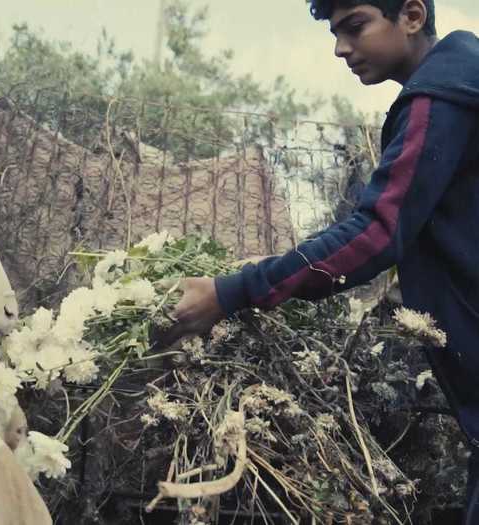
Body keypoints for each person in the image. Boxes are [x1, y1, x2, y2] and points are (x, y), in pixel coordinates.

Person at [166, 0, 479, 521]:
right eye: (335, 34)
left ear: (413, 16)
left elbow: (378, 232)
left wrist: (230, 292)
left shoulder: (441, 99)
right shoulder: (463, 86)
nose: (341, 49)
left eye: (355, 27)